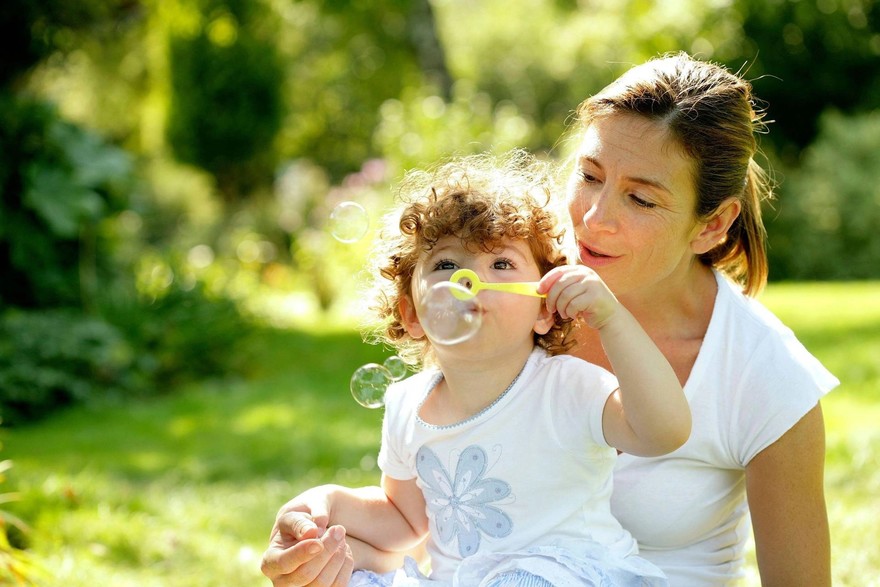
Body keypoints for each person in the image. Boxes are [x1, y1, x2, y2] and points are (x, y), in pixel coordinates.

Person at [261, 52, 839, 586]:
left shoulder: (764, 373)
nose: (593, 217)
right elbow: (448, 518)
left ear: (712, 225)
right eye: (589, 175)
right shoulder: (510, 296)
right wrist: (328, 542)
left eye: (641, 199)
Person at [281, 150, 690, 586]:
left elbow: (663, 431)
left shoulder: (568, 386)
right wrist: (329, 503)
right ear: (413, 314)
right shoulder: (407, 404)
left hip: (566, 574)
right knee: (349, 575)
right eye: (446, 265)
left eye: (501, 264)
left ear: (544, 310)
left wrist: (612, 318)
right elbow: (403, 520)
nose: (468, 281)